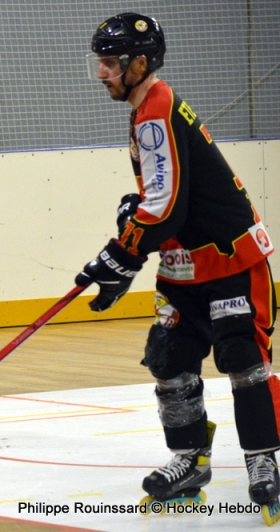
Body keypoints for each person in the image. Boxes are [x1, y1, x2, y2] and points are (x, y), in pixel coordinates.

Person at [77, 13, 279, 522]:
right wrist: (126, 254)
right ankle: (189, 459)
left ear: (140, 63)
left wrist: (118, 254)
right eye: (97, 63)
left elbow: (167, 206)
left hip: (231, 262)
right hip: (182, 269)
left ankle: (263, 461)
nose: (101, 73)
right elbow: (158, 203)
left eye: (109, 63)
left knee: (243, 361)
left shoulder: (156, 110)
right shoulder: (146, 108)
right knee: (169, 361)